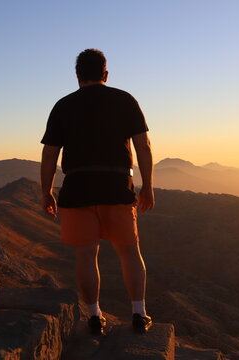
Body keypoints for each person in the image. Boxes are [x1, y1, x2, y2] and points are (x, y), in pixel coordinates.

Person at [40, 48, 154, 335]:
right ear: (106, 73)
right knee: (129, 252)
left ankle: (93, 316)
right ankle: (139, 313)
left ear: (78, 76)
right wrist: (148, 186)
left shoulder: (63, 106)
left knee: (86, 256)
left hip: (77, 189)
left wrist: (46, 192)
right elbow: (143, 146)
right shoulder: (125, 100)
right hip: (117, 187)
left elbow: (49, 155)